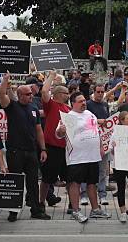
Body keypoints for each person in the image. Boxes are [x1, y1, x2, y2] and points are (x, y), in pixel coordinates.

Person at [0, 73, 50, 221]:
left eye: (31, 94)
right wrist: (5, 80)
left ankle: (35, 210)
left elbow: (39, 130)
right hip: (15, 151)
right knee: (15, 181)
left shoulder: (33, 108)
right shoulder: (11, 106)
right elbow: (2, 94)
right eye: (27, 94)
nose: (31, 96)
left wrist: (43, 149)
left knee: (33, 182)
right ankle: (13, 211)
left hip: (31, 151)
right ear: (19, 95)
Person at [56, 92, 110, 223]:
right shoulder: (68, 117)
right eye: (80, 101)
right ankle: (75, 210)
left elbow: (97, 131)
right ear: (73, 103)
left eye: (84, 100)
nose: (84, 103)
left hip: (92, 156)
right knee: (75, 183)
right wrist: (61, 131)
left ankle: (95, 210)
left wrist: (101, 146)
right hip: (77, 157)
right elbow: (58, 134)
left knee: (92, 183)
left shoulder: (90, 114)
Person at [39, 72, 71, 209]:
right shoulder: (51, 105)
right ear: (58, 94)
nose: (68, 95)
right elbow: (45, 91)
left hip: (65, 148)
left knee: (69, 179)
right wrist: (51, 76)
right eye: (66, 92)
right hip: (51, 147)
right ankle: (41, 203)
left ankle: (72, 203)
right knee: (47, 179)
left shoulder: (69, 109)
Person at [82, 84, 110, 205]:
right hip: (90, 141)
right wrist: (97, 121)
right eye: (98, 92)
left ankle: (102, 194)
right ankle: (84, 194)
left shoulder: (105, 105)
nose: (100, 94)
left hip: (103, 140)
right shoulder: (87, 104)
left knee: (102, 170)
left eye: (102, 92)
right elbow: (83, 120)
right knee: (87, 170)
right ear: (93, 92)